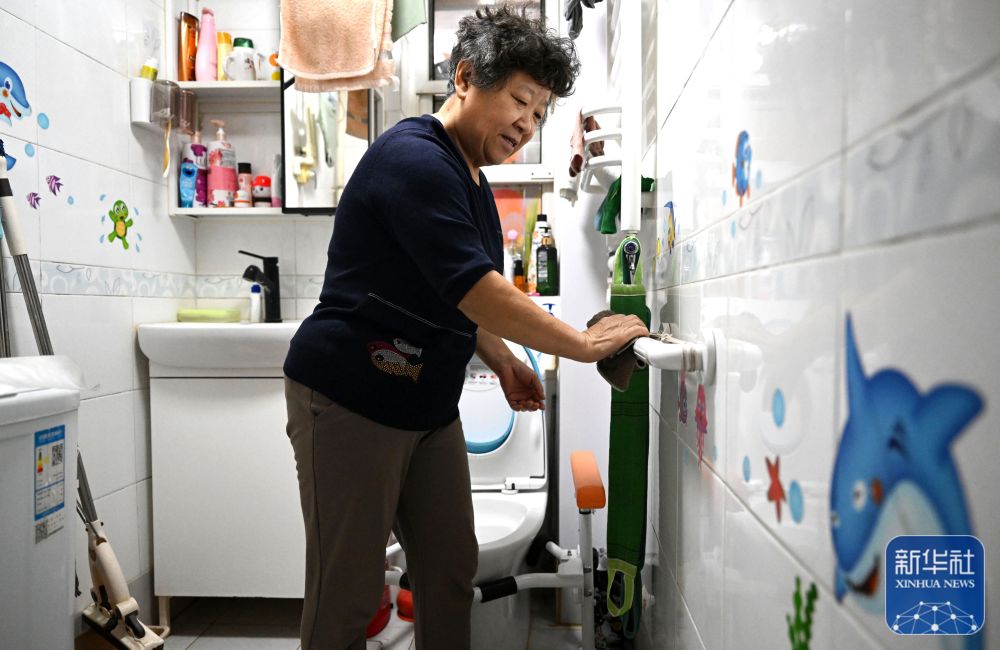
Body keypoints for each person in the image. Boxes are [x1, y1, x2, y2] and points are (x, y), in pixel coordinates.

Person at [283, 5, 649, 649]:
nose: (527, 124)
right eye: (519, 101)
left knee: (450, 572)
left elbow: (453, 296)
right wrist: (583, 345)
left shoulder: (473, 182)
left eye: (540, 113)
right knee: (349, 594)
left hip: (427, 407)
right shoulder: (414, 160)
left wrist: (503, 360)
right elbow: (478, 289)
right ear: (464, 77)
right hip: (349, 398)